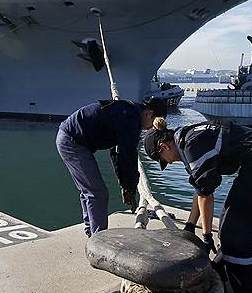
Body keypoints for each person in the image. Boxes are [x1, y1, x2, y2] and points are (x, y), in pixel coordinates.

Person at [143, 117, 252, 293]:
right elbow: (199, 188)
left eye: (164, 159)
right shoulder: (186, 138)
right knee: (229, 230)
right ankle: (215, 280)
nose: (169, 162)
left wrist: (207, 234)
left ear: (164, 146)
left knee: (236, 237)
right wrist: (191, 225)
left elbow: (205, 195)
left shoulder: (191, 144)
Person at [56, 97, 168, 237]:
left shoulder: (128, 112)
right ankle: (99, 240)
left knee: (90, 191)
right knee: (97, 193)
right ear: (149, 114)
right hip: (72, 142)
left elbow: (117, 154)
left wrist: (126, 186)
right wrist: (130, 188)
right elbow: (127, 157)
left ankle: (92, 231)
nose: (149, 129)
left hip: (70, 137)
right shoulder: (130, 118)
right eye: (152, 125)